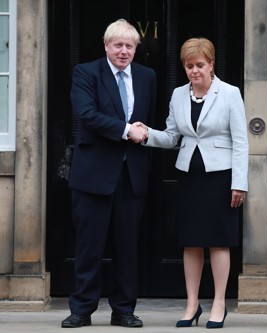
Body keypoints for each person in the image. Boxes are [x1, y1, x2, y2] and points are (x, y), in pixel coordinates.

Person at [136, 37, 248, 329]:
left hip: (221, 178)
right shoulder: (177, 95)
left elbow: (241, 142)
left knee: (219, 241)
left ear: (211, 65)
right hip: (188, 177)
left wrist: (240, 183)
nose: (194, 71)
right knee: (191, 241)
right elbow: (173, 136)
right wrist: (147, 133)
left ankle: (220, 303)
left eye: (200, 65)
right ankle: (191, 304)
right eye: (189, 66)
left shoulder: (230, 93)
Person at [61, 19, 156, 328]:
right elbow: (87, 115)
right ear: (106, 46)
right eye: (118, 45)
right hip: (92, 175)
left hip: (132, 176)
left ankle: (124, 309)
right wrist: (128, 130)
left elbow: (148, 121)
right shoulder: (86, 73)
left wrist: (141, 131)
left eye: (130, 46)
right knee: (89, 247)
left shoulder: (147, 76)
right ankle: (82, 309)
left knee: (128, 248)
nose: (124, 51)